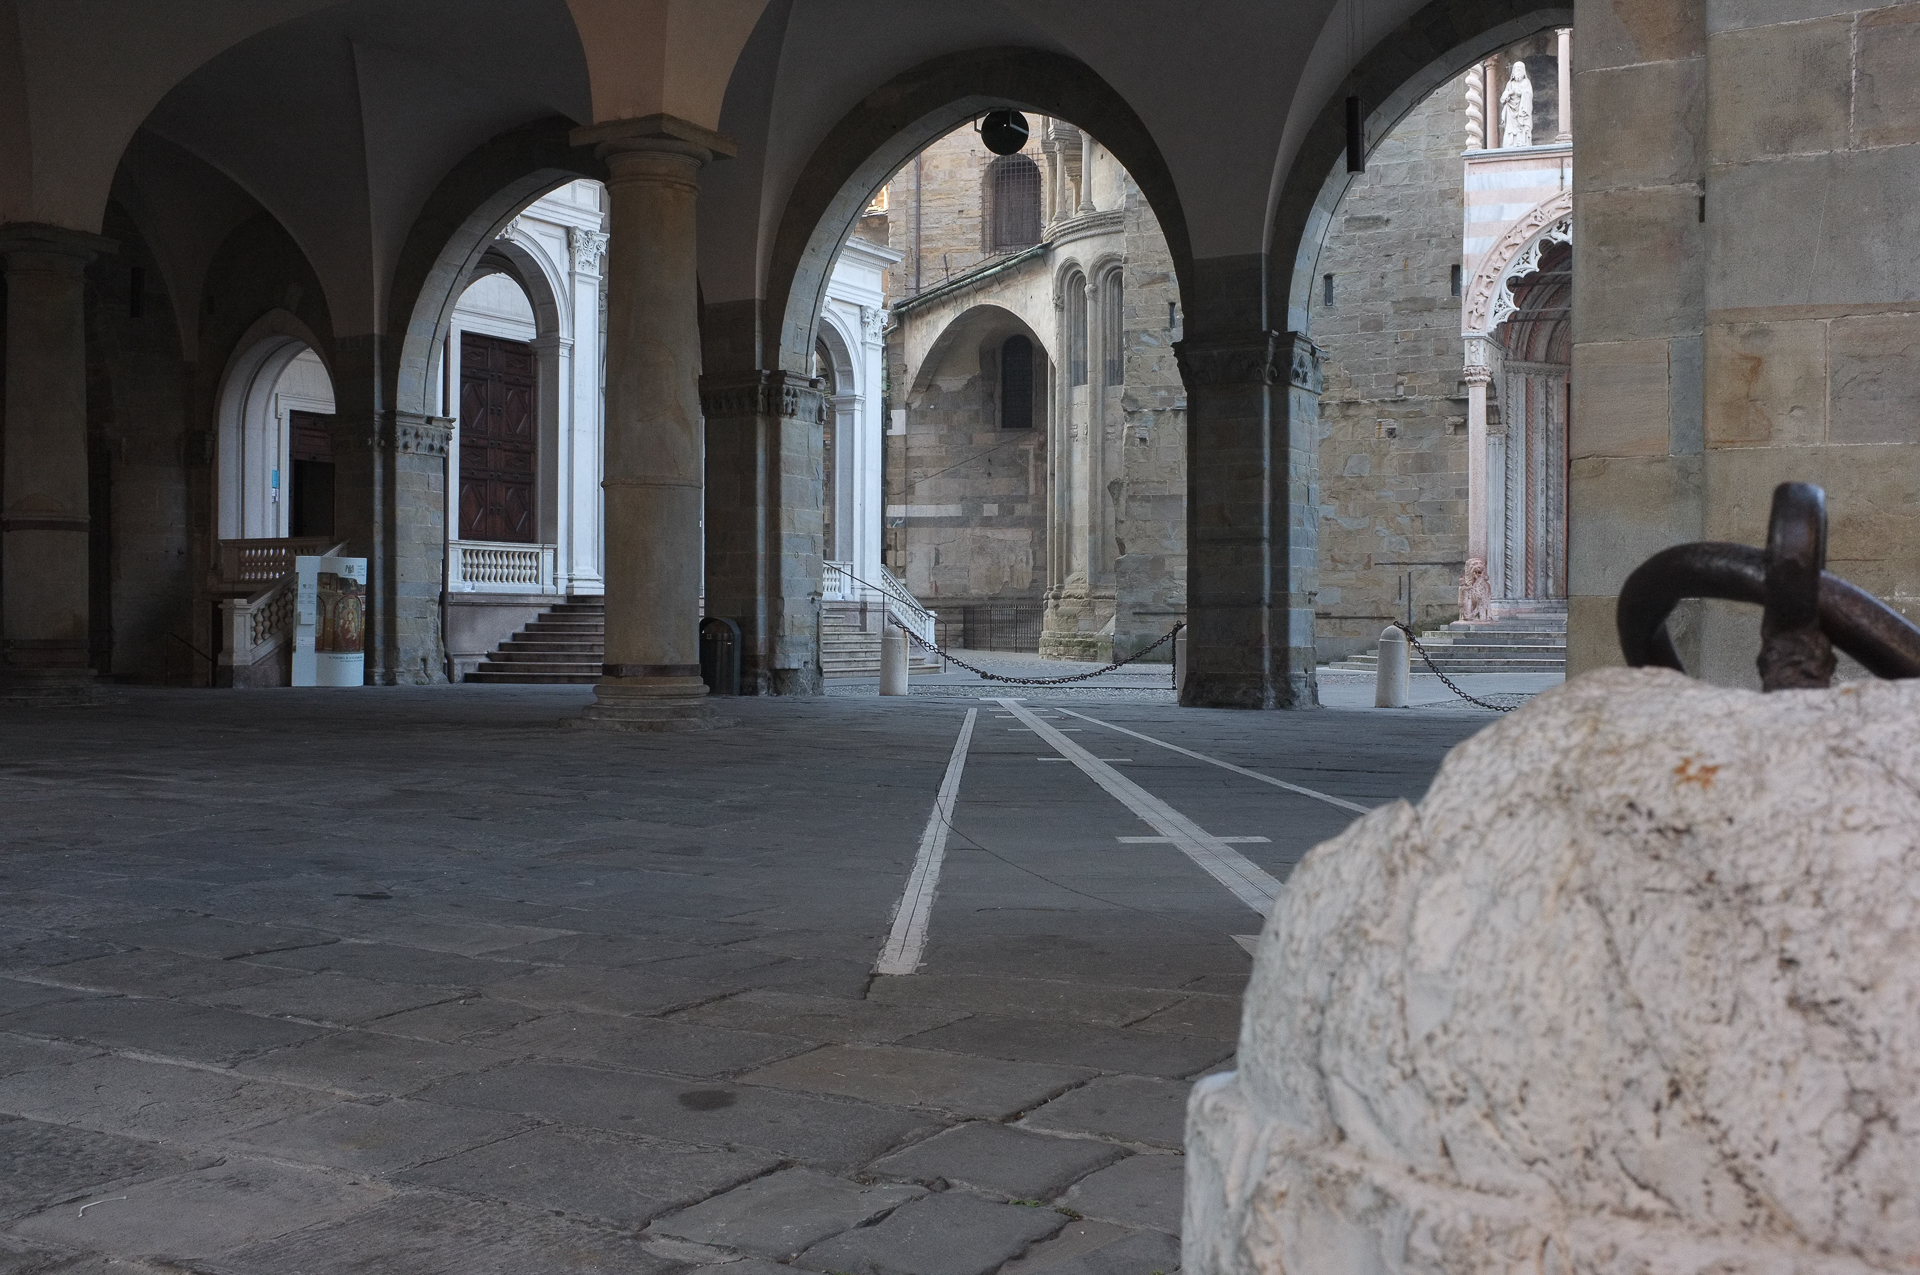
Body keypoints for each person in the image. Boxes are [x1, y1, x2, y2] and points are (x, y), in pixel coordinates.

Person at [1500, 61, 1533, 148]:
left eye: (1520, 68)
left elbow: (1529, 95)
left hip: (1522, 110)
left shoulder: (1526, 82)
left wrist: (1521, 93)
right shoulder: (1510, 83)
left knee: (1522, 126)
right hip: (1511, 111)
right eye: (1516, 68)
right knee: (1510, 130)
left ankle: (1522, 142)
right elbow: (1503, 98)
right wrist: (1508, 95)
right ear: (1513, 71)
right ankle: (1510, 143)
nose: (1518, 70)